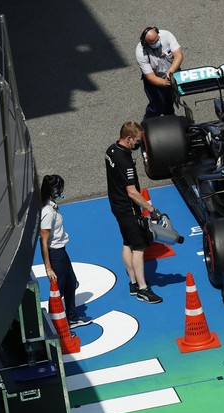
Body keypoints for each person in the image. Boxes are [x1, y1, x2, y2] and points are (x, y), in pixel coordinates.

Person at [105, 121, 163, 304]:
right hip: (127, 208)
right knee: (139, 247)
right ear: (128, 139)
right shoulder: (125, 161)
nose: (139, 144)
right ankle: (143, 289)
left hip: (115, 204)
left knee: (127, 242)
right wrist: (150, 209)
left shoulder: (110, 150)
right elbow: (132, 192)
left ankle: (132, 283)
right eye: (137, 141)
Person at [39, 175, 92, 328]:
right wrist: (48, 268)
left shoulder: (52, 206)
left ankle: (72, 317)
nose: (62, 191)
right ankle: (54, 326)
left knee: (70, 283)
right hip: (56, 255)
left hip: (61, 252)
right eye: (60, 188)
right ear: (54, 190)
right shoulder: (48, 212)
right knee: (58, 290)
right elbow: (43, 241)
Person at [136, 26, 184, 119]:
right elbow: (151, 77)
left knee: (169, 102)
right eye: (153, 42)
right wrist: (167, 83)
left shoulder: (166, 35)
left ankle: (170, 120)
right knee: (156, 106)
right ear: (146, 43)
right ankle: (147, 124)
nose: (157, 42)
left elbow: (178, 55)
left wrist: (171, 72)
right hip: (155, 79)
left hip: (171, 73)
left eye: (157, 39)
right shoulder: (141, 52)